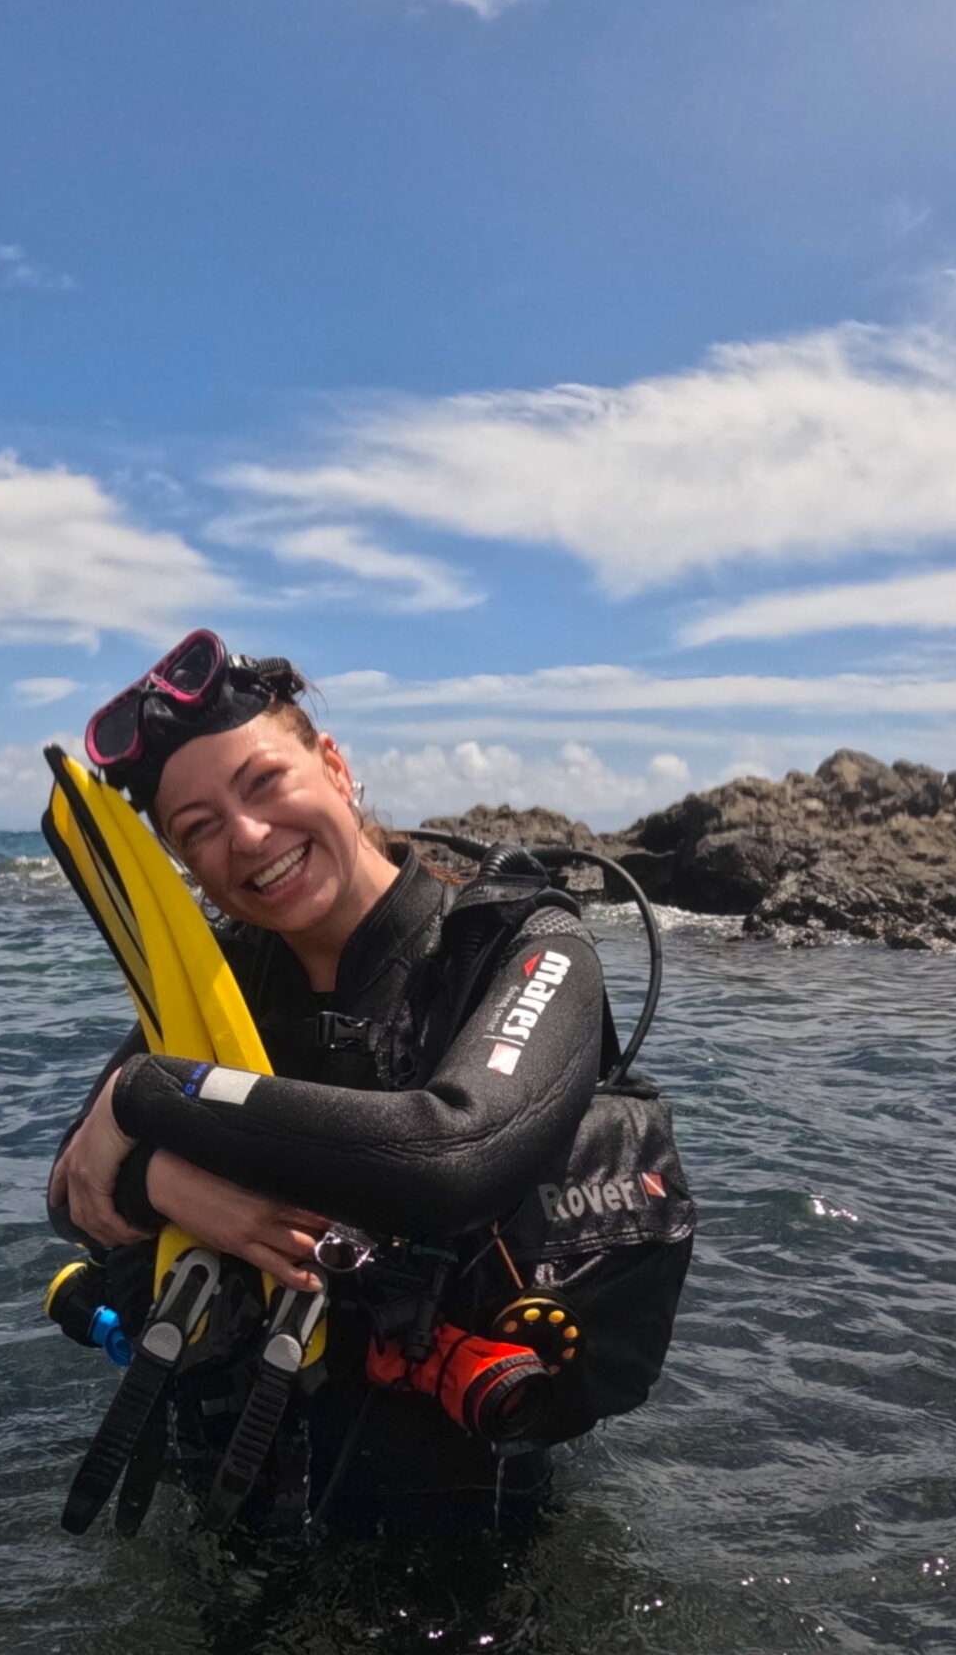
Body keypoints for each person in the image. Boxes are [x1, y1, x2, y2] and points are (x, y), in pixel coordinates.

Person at [48, 635, 695, 1535]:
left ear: (335, 767)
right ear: (181, 864)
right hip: (235, 1506)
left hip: (463, 1544)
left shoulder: (525, 948)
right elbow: (72, 1188)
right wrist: (174, 1186)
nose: (247, 837)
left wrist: (148, 1102)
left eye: (264, 782)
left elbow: (452, 1151)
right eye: (197, 829)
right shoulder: (220, 986)